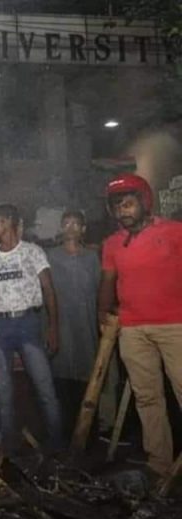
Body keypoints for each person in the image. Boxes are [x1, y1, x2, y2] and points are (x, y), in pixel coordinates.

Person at [98, 173, 182, 479]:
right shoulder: (111, 244)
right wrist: (102, 315)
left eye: (129, 203)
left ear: (145, 202)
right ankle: (159, 462)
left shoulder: (175, 232)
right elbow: (108, 281)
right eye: (118, 206)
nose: (123, 211)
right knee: (147, 397)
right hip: (132, 329)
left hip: (176, 326)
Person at [0, 204, 63, 457]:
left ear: (9, 222)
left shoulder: (33, 252)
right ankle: (10, 448)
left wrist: (53, 327)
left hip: (28, 324)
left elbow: (49, 290)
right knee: (2, 391)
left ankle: (57, 445)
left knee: (44, 386)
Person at [46, 211, 103, 437]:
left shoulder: (92, 257)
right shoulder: (50, 257)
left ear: (84, 229)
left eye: (76, 224)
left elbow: (100, 290)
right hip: (59, 326)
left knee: (88, 379)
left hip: (86, 326)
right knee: (61, 380)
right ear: (61, 227)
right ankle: (65, 434)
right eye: (66, 223)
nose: (70, 228)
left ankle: (88, 433)